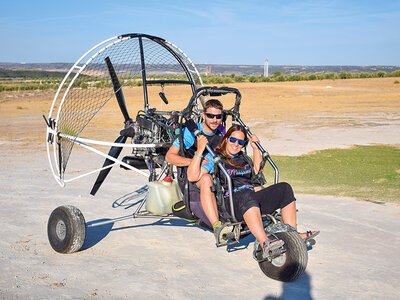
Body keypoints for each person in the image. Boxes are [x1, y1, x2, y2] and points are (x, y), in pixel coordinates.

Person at [187, 124, 319, 252]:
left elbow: (256, 173)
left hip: (250, 200)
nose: (236, 144)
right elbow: (193, 177)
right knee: (246, 193)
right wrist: (199, 151)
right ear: (226, 139)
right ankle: (264, 242)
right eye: (233, 140)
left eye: (240, 142)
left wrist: (255, 148)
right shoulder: (215, 158)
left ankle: (292, 234)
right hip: (232, 205)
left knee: (285, 188)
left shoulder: (243, 158)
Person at [165, 99, 224, 229]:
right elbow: (169, 157)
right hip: (192, 176)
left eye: (218, 116)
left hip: (213, 170)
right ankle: (217, 225)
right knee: (206, 178)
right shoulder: (190, 132)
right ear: (203, 115)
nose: (214, 120)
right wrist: (194, 161)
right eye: (210, 116)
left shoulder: (221, 131)